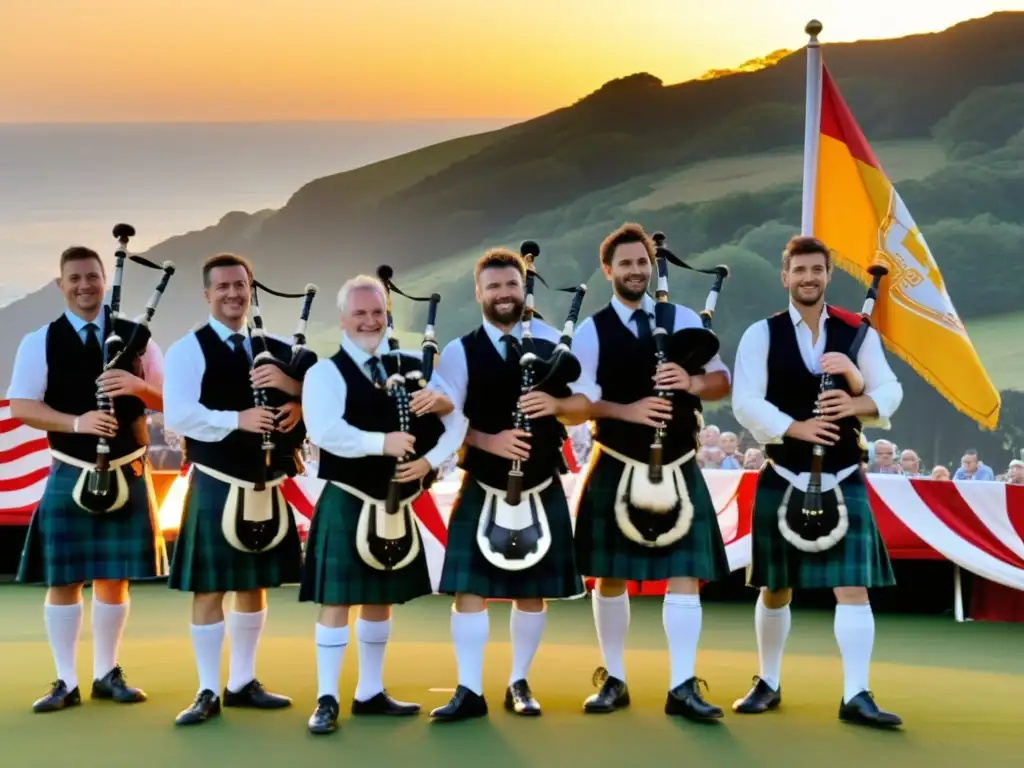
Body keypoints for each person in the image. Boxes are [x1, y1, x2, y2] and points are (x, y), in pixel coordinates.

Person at [730, 235, 904, 728]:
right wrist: (795, 427)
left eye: (818, 270)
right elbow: (745, 401)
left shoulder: (856, 334)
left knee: (853, 587)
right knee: (775, 587)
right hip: (784, 469)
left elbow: (889, 389)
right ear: (785, 277)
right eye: (799, 270)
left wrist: (856, 394)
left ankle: (856, 694)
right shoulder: (760, 335)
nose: (809, 278)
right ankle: (767, 681)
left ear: (828, 276)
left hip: (843, 471)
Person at [571, 223, 732, 721]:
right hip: (616, 461)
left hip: (679, 460)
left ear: (651, 265)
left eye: (642, 262)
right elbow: (577, 405)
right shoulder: (591, 331)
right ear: (608, 271)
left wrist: (691, 379)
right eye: (625, 263)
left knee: (684, 572)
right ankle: (613, 678)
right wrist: (629, 410)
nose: (636, 270)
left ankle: (682, 685)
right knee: (611, 575)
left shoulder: (682, 316)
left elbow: (721, 381)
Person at [429, 247, 598, 721]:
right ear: (479, 293)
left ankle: (519, 682)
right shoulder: (460, 351)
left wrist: (555, 406)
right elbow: (449, 418)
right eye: (495, 286)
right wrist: (489, 440)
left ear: (525, 289)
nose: (505, 294)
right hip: (483, 480)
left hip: (541, 479)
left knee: (531, 591)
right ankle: (467, 689)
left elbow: (587, 403)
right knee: (470, 592)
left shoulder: (554, 343)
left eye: (512, 285)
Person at [298, 274, 463, 735]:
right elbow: (325, 431)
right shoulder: (324, 373)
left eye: (378, 312)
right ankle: (326, 698)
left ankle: (370, 692)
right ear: (343, 320)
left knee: (379, 600)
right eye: (361, 313)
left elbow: (456, 421)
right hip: (348, 498)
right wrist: (382, 443)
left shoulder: (414, 366)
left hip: (396, 501)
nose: (370, 321)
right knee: (336, 600)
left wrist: (429, 460)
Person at [8, 245, 167, 713]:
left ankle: (106, 673)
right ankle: (64, 680)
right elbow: (22, 406)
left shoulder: (138, 339)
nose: (84, 286)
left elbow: (170, 399)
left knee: (114, 578)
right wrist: (79, 423)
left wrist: (137, 387)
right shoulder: (40, 340)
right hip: (71, 470)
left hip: (128, 469)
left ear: (104, 279)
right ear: (61, 284)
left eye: (92, 277)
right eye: (74, 278)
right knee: (64, 579)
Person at [162, 252, 312, 726]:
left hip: (268, 482)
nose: (233, 293)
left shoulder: (276, 347)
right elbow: (179, 415)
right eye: (222, 286)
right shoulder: (188, 348)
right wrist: (238, 420)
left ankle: (243, 682)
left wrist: (300, 405)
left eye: (240, 285)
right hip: (217, 481)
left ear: (251, 289)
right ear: (207, 294)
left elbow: (326, 389)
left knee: (254, 586)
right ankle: (207, 690)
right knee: (210, 588)